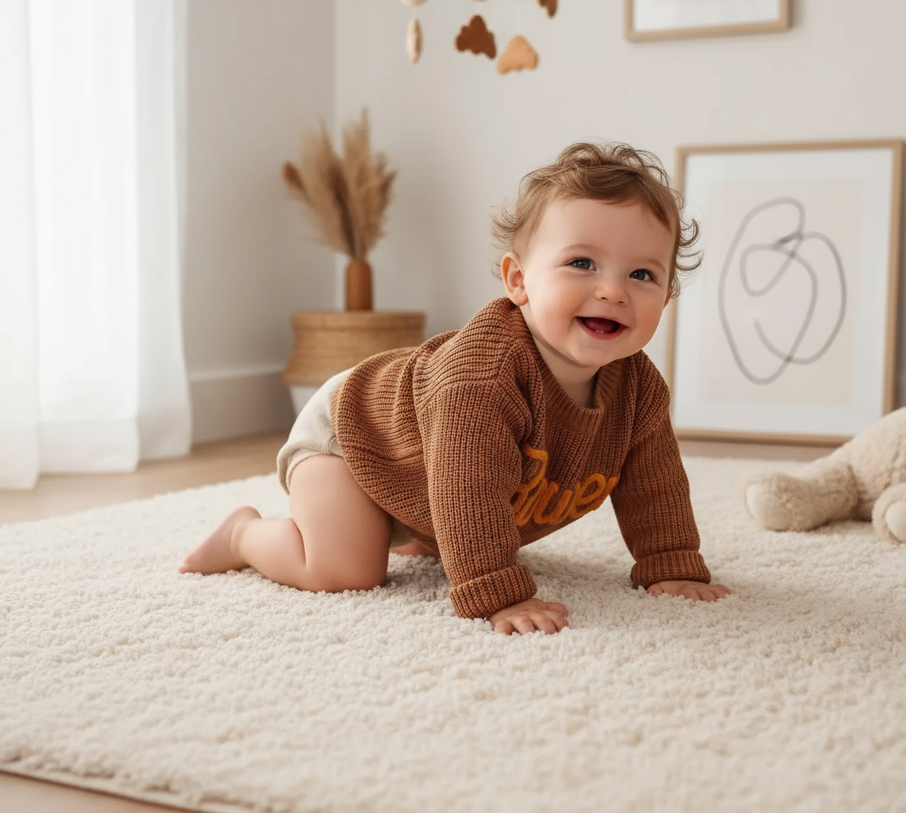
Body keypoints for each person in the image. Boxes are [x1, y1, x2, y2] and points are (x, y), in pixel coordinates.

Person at [180, 141, 731, 634]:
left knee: (457, 517)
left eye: (642, 275)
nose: (612, 291)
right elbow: (468, 486)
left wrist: (672, 562)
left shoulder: (638, 390)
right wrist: (497, 594)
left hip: (425, 465)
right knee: (345, 570)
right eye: (582, 263)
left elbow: (654, 484)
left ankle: (420, 524)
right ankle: (243, 537)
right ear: (519, 281)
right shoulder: (481, 381)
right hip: (353, 435)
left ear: (666, 297)